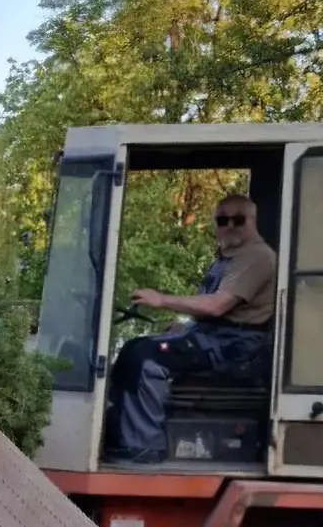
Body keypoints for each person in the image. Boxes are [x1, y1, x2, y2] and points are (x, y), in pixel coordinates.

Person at [106, 193, 277, 463]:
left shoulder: (257, 257)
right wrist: (186, 327)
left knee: (147, 358)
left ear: (252, 221)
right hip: (215, 337)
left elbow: (218, 306)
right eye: (222, 219)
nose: (229, 225)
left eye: (238, 219)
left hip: (237, 348)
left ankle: (144, 446)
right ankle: (121, 436)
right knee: (133, 348)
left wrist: (161, 300)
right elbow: (217, 309)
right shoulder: (230, 258)